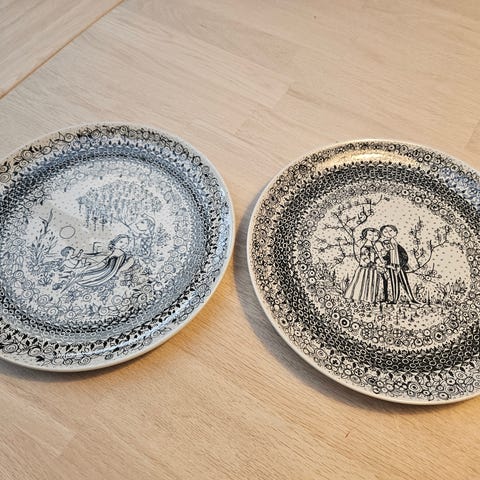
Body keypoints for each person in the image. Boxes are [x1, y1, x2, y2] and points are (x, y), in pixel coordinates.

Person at [379, 224, 418, 304]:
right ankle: (395, 300)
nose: (388, 233)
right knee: (394, 282)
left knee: (405, 282)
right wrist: (384, 255)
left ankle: (412, 299)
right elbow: (386, 257)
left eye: (390, 231)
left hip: (400, 266)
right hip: (391, 266)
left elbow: (404, 256)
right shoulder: (385, 244)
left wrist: (401, 264)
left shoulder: (396, 244)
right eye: (385, 232)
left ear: (395, 232)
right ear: (382, 234)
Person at [344, 228, 385, 303]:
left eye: (375, 235)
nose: (373, 237)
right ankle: (356, 297)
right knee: (360, 283)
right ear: (365, 236)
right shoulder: (365, 247)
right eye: (370, 235)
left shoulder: (375, 247)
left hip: (373, 269)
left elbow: (376, 257)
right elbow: (364, 257)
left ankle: (368, 298)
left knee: (370, 284)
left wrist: (379, 263)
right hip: (365, 268)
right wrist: (371, 263)